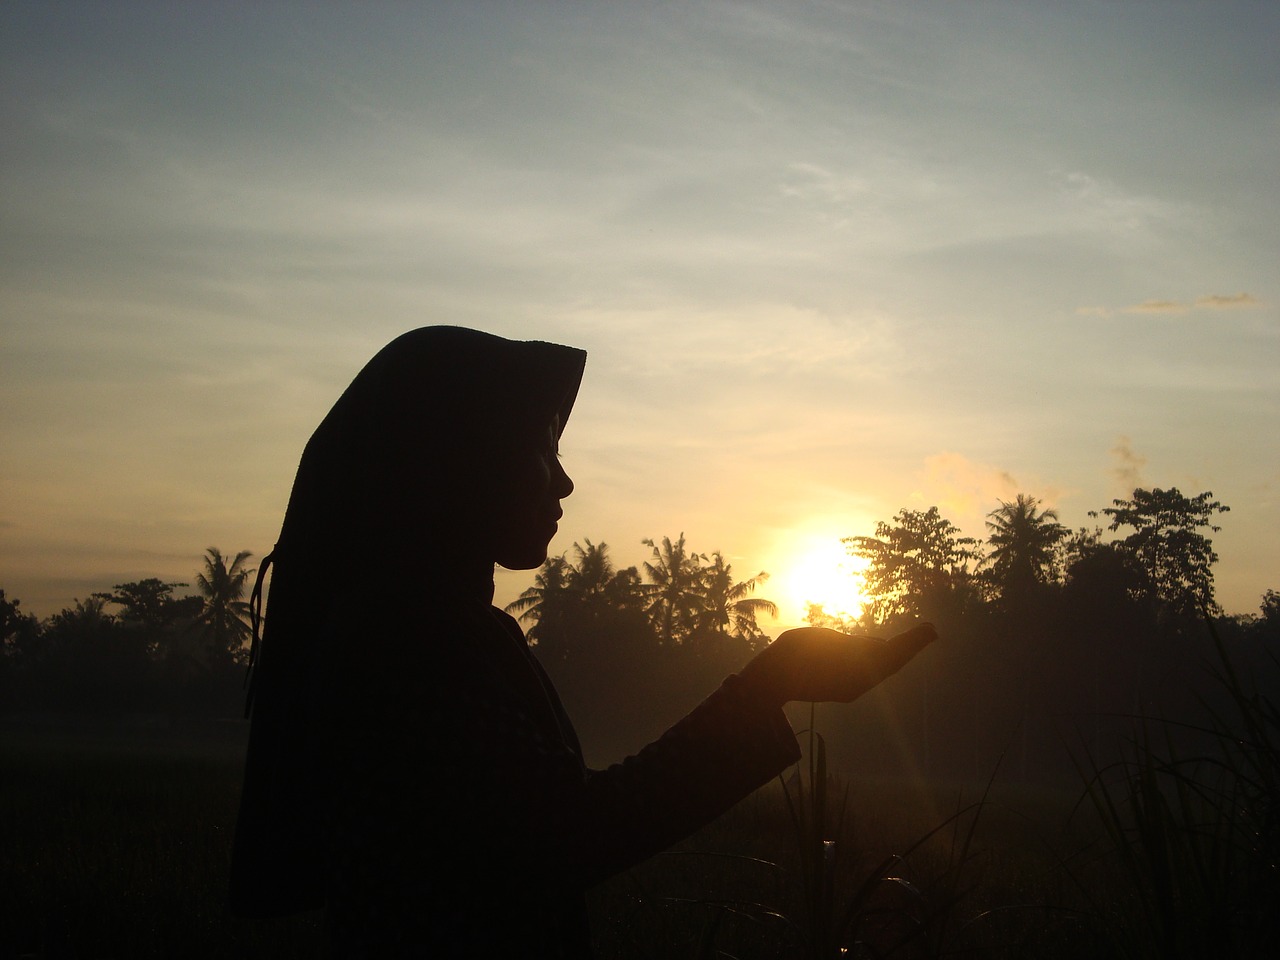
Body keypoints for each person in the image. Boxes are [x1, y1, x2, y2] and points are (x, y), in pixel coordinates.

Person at [228, 326, 935, 958]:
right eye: (539, 447)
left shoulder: (424, 628)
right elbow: (564, 834)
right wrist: (769, 683)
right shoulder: (412, 643)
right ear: (459, 462)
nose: (563, 481)